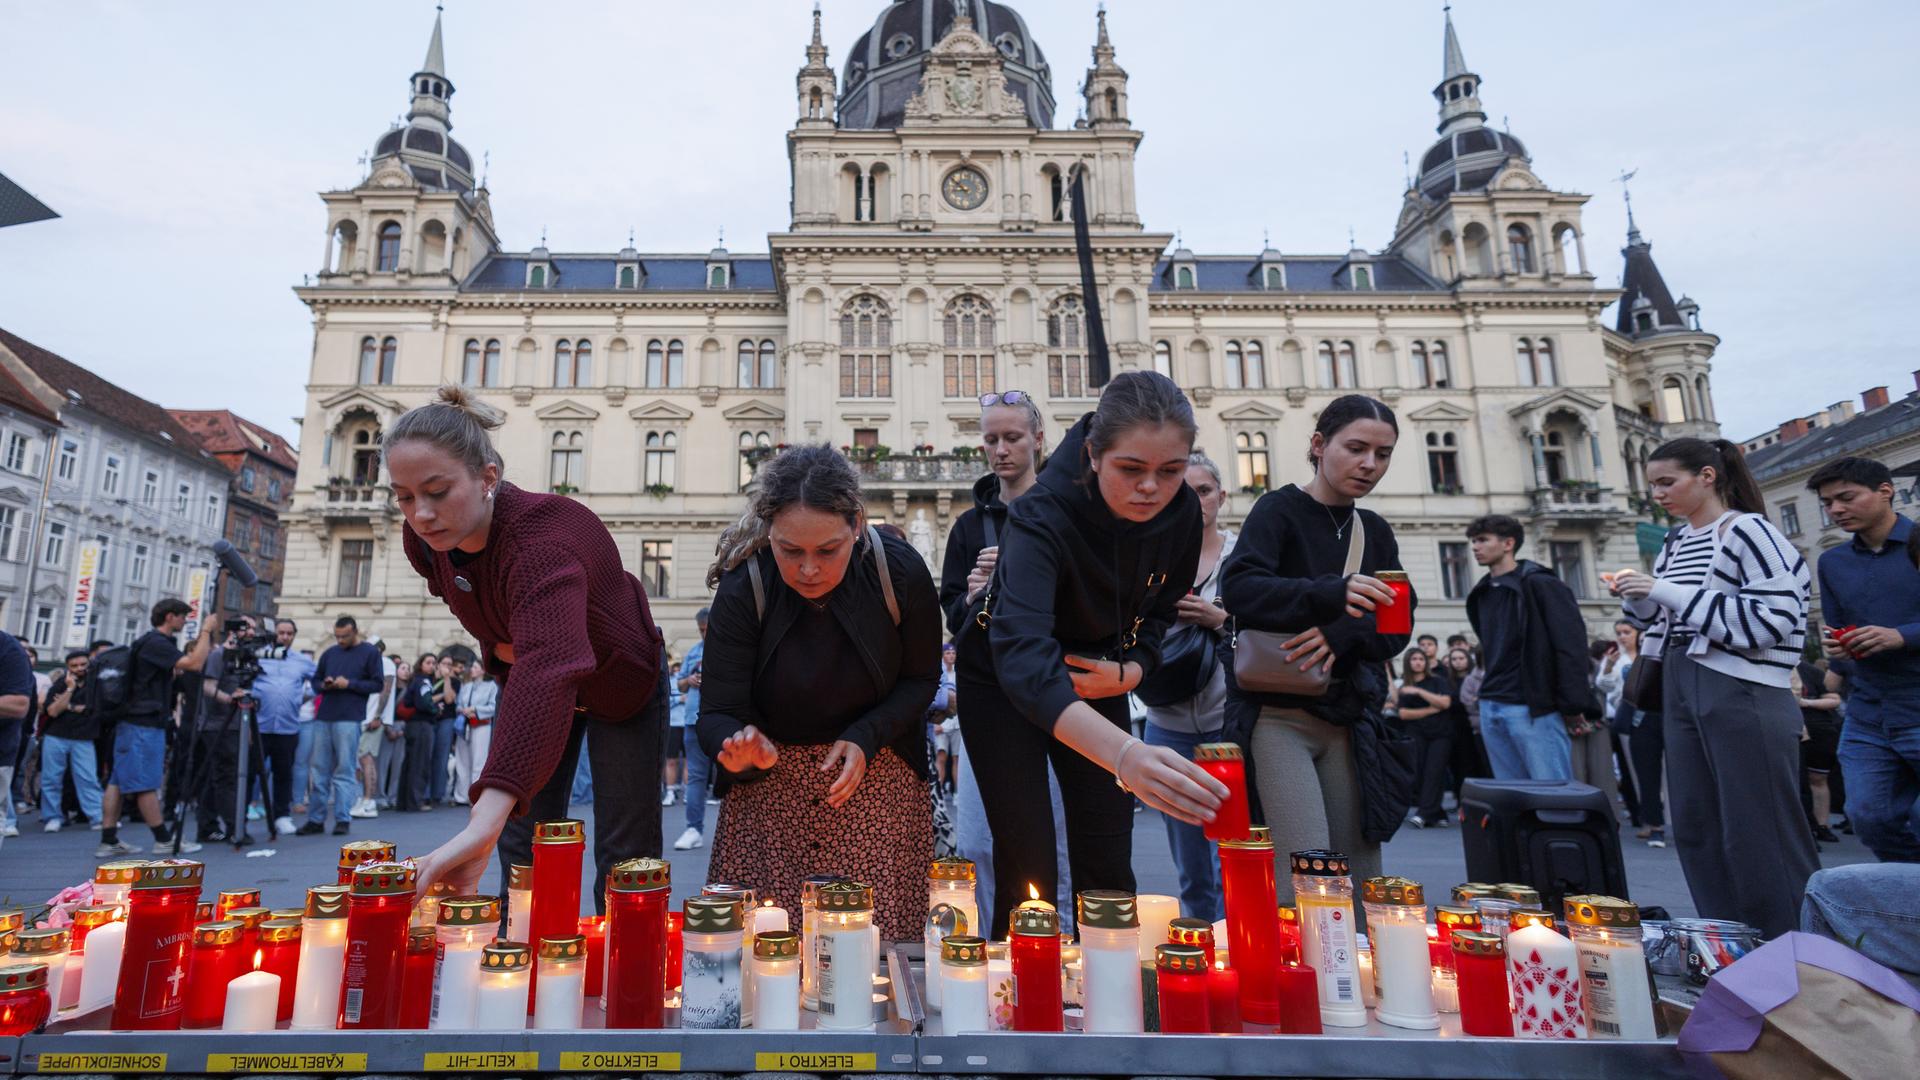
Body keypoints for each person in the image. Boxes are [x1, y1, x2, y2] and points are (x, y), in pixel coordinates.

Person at [963, 375, 1224, 936]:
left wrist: (1135, 669)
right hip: (1001, 678)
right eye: (1131, 470)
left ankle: (1112, 988)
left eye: (1171, 471)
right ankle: (1025, 996)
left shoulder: (1179, 514)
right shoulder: (1039, 515)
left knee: (1107, 846)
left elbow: (1161, 611)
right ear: (1093, 454)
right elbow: (1025, 660)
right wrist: (1127, 757)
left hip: (1094, 675)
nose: (1152, 489)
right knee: (1026, 853)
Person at [390, 387, 665, 908]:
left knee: (624, 854)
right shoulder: (426, 542)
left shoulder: (543, 539)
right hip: (537, 675)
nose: (421, 513)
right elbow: (494, 620)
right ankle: (524, 962)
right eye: (404, 496)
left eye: (437, 491)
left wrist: (478, 825)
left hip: (621, 680)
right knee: (521, 841)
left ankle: (625, 972)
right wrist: (505, 646)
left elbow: (548, 665)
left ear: (488, 477)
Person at [697, 445, 940, 939]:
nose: (809, 569)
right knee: (766, 955)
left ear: (856, 525)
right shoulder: (746, 586)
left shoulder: (900, 573)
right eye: (790, 550)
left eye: (827, 550)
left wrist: (867, 735)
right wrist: (741, 749)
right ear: (769, 534)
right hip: (769, 802)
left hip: (876, 784)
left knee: (873, 947)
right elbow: (717, 711)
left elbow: (921, 680)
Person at [1613, 436, 1817, 938]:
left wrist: (1661, 590)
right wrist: (1639, 598)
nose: (1658, 494)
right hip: (1682, 679)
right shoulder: (1675, 540)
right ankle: (1725, 941)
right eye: (1653, 485)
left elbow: (1775, 619)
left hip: (1743, 683)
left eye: (1667, 482)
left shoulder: (1748, 531)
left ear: (1707, 476)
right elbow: (1669, 617)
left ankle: (1792, 947)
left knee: (1760, 825)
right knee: (1697, 823)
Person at [1222, 394, 1409, 903]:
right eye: (1356, 448)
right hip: (1278, 715)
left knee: (1360, 868)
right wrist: (1332, 592)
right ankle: (1302, 976)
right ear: (1319, 445)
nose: (1369, 464)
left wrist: (1340, 633)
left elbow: (1397, 628)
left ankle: (1362, 973)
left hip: (1349, 719)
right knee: (1304, 865)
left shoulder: (1376, 531)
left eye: (1383, 453)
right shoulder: (1278, 509)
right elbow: (1239, 590)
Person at [1807, 456, 1920, 863]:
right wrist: (1838, 651)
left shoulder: (1917, 544)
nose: (1836, 509)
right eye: (1828, 503)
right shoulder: (1832, 562)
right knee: (1867, 817)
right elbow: (1837, 629)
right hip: (1870, 712)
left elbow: (1897, 635)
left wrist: (1901, 636)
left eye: (1846, 497)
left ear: (1885, 491)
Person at [1139, 451, 1236, 921]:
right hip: (1167, 720)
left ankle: (1234, 942)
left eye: (1203, 491)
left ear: (1222, 496)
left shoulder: (1243, 556)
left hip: (1228, 722)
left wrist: (1222, 620)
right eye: (1185, 492)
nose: (1195, 501)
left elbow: (1264, 631)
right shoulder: (1152, 556)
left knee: (1231, 851)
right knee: (1191, 862)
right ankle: (1202, 943)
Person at [1464, 515, 1593, 782]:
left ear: (1508, 543)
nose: (1475, 547)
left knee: (1553, 795)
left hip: (1532, 706)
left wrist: (1572, 704)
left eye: (1483, 540)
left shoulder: (1540, 584)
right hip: (1491, 704)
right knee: (1514, 799)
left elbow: (1571, 646)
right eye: (1473, 541)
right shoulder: (1483, 592)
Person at [97, 599, 215, 856]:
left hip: (134, 721)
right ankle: (163, 839)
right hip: (143, 723)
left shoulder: (149, 643)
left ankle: (109, 839)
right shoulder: (156, 643)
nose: (185, 622)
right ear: (170, 617)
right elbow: (195, 663)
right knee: (145, 782)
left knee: (117, 781)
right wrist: (206, 630)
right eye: (183, 617)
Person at [296, 616, 383, 836]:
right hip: (324, 716)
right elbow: (315, 681)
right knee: (319, 770)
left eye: (344, 636)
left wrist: (349, 684)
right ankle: (316, 819)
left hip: (349, 718)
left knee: (345, 769)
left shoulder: (370, 653)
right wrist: (324, 685)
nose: (340, 640)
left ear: (355, 632)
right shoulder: (329, 653)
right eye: (337, 636)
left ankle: (343, 818)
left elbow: (378, 684)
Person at [1595, 621, 1666, 847]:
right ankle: (1653, 823)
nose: (1623, 637)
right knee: (1643, 772)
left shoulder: (1654, 650)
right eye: (1619, 633)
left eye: (1627, 632)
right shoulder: (1615, 659)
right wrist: (1608, 668)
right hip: (1634, 719)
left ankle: (1671, 819)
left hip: (1662, 714)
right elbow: (1604, 686)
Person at [254, 620, 315, 837]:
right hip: (258, 725)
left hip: (287, 727)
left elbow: (317, 683)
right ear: (275, 634)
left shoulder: (302, 661)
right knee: (251, 771)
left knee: (284, 773)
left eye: (289, 633)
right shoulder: (259, 656)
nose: (285, 637)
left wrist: (300, 699)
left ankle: (282, 815)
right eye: (281, 633)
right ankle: (241, 814)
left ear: (294, 635)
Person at [38, 650, 101, 831]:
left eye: (83, 664)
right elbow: (53, 711)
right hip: (56, 735)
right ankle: (52, 817)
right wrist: (70, 689)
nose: (79, 668)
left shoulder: (96, 684)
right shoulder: (61, 684)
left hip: (83, 736)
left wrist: (69, 706)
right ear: (68, 667)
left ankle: (97, 816)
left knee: (87, 778)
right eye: (74, 666)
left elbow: (94, 709)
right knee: (51, 778)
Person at [1395, 647, 1453, 829]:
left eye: (1421, 659)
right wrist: (1430, 709)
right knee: (1420, 773)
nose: (1418, 662)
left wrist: (1420, 693)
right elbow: (1403, 714)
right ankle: (1437, 813)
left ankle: (1423, 813)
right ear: (1408, 662)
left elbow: (1445, 703)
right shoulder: (1404, 687)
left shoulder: (1438, 681)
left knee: (1434, 772)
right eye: (1414, 659)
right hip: (1416, 734)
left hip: (1441, 734)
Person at [672, 608, 712, 851]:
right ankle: (693, 829)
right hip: (693, 720)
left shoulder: (729, 646)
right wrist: (689, 681)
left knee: (733, 778)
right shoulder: (695, 651)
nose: (704, 634)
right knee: (696, 776)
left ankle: (734, 835)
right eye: (701, 630)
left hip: (720, 720)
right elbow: (680, 683)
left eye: (707, 629)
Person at [1794, 660, 1843, 845]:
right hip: (1790, 729)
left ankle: (1822, 826)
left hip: (1818, 731)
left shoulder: (1810, 671)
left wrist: (1805, 702)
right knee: (1796, 781)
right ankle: (1804, 828)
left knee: (1818, 779)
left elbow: (1834, 699)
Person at [1441, 645, 1487, 812]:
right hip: (1456, 728)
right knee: (1460, 766)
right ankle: (1462, 801)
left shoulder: (1475, 678)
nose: (1458, 662)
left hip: (1474, 726)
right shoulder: (1447, 680)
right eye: (1454, 659)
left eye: (1461, 658)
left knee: (1480, 764)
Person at [354, 643, 397, 818]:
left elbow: (385, 691)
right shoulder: (372, 663)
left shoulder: (385, 662)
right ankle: (363, 799)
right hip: (364, 717)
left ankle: (369, 801)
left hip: (373, 719)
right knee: (361, 760)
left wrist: (377, 716)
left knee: (367, 759)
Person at [399, 654, 441, 811]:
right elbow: (424, 703)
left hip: (412, 726)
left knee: (410, 764)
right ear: (421, 664)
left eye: (433, 663)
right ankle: (415, 802)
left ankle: (404, 802)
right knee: (420, 764)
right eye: (428, 662)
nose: (432, 665)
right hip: (423, 726)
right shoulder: (424, 681)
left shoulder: (414, 680)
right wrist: (435, 709)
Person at [451, 669, 497, 799]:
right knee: (462, 761)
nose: (472, 670)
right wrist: (462, 710)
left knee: (479, 760)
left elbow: (493, 707)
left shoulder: (491, 686)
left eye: (476, 667)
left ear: (483, 670)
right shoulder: (466, 687)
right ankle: (461, 796)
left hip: (481, 725)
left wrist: (475, 709)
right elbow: (458, 704)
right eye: (472, 667)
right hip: (464, 725)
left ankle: (475, 796)